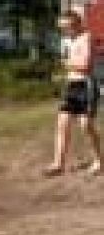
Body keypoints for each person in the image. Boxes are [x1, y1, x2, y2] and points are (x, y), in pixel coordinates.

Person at [45, 10, 103, 176]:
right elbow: (72, 63)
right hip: (71, 86)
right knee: (62, 124)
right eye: (62, 28)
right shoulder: (67, 41)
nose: (64, 31)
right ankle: (58, 163)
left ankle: (99, 160)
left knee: (86, 126)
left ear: (77, 24)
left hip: (86, 86)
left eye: (67, 27)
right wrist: (64, 73)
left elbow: (85, 65)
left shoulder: (87, 38)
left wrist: (66, 65)